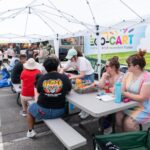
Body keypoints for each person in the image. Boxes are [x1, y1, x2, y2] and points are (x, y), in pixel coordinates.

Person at [26, 57, 72, 138]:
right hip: (60, 111)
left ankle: (30, 131)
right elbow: (68, 89)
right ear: (57, 66)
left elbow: (39, 91)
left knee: (29, 110)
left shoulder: (41, 78)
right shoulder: (64, 78)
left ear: (44, 67)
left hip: (42, 111)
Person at [116, 50, 150, 132]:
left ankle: (133, 142)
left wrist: (125, 93)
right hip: (130, 104)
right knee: (118, 116)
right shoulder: (128, 73)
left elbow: (142, 98)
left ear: (137, 66)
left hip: (144, 108)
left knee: (129, 123)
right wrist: (123, 91)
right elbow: (121, 88)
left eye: (129, 65)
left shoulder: (147, 77)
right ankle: (123, 137)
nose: (127, 67)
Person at [62, 48, 94, 119]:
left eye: (71, 58)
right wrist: (60, 73)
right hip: (82, 77)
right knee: (80, 94)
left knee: (85, 94)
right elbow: (64, 69)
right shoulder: (71, 61)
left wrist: (71, 77)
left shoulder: (82, 60)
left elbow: (82, 75)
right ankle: (83, 110)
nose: (70, 60)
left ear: (75, 56)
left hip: (88, 76)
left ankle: (87, 111)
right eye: (69, 58)